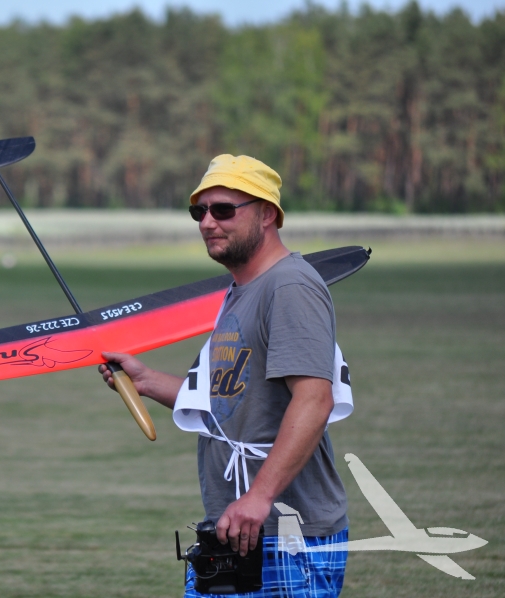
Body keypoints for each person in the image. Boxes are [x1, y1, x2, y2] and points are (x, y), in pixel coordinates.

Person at [99, 155, 349, 598]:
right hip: (237, 533)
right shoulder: (242, 290)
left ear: (267, 214)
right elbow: (230, 404)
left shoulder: (289, 286)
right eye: (199, 211)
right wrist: (146, 380)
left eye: (223, 210)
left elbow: (314, 400)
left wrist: (259, 496)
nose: (207, 222)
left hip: (286, 536)